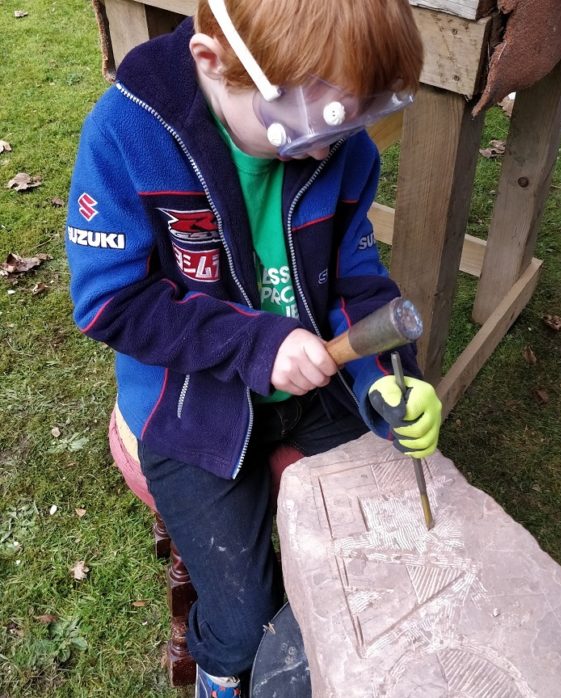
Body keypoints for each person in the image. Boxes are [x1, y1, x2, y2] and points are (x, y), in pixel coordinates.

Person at [65, 0, 441, 695]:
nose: (330, 150)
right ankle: (218, 668)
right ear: (213, 63)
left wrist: (388, 377)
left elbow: (357, 282)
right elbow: (111, 304)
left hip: (312, 393)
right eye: (312, 125)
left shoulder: (341, 148)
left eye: (357, 121)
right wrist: (255, 343)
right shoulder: (127, 134)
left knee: (378, 568)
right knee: (241, 626)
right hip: (190, 411)